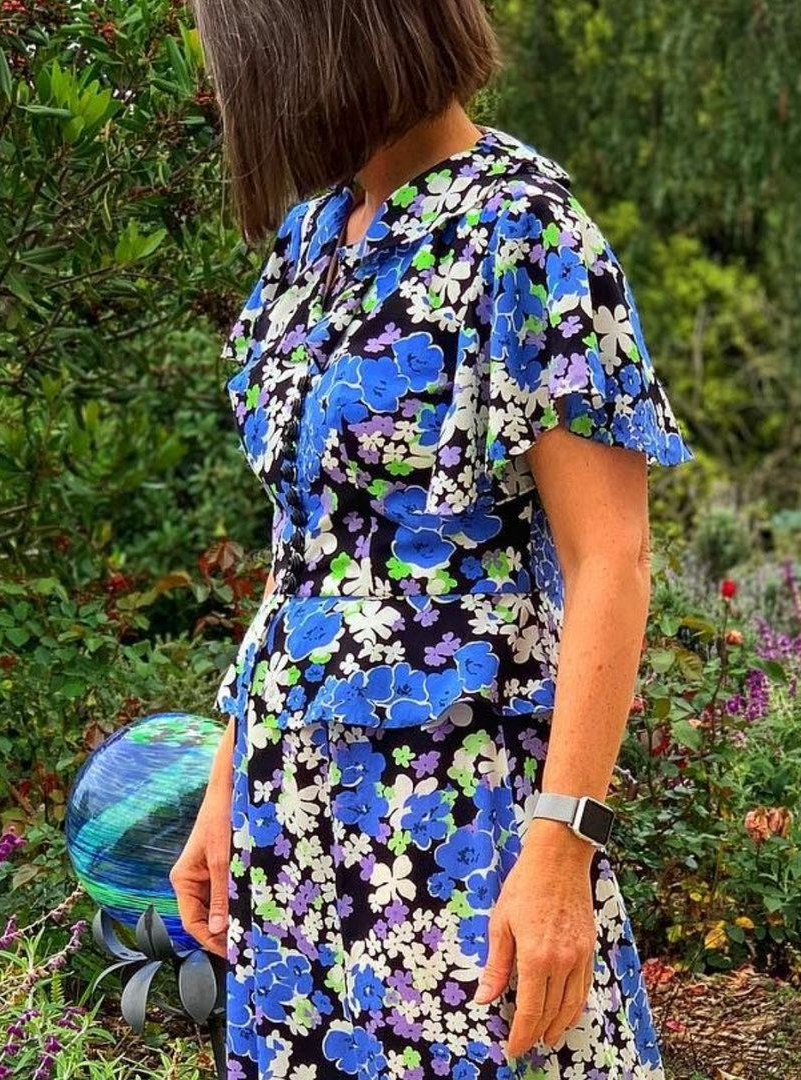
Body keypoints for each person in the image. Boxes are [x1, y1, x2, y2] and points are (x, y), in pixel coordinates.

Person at [171, 3, 694, 1077]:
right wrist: (229, 774)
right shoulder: (313, 236)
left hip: (453, 805)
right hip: (297, 811)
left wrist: (560, 841)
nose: (229, 87)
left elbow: (613, 562)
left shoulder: (525, 231)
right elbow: (304, 545)